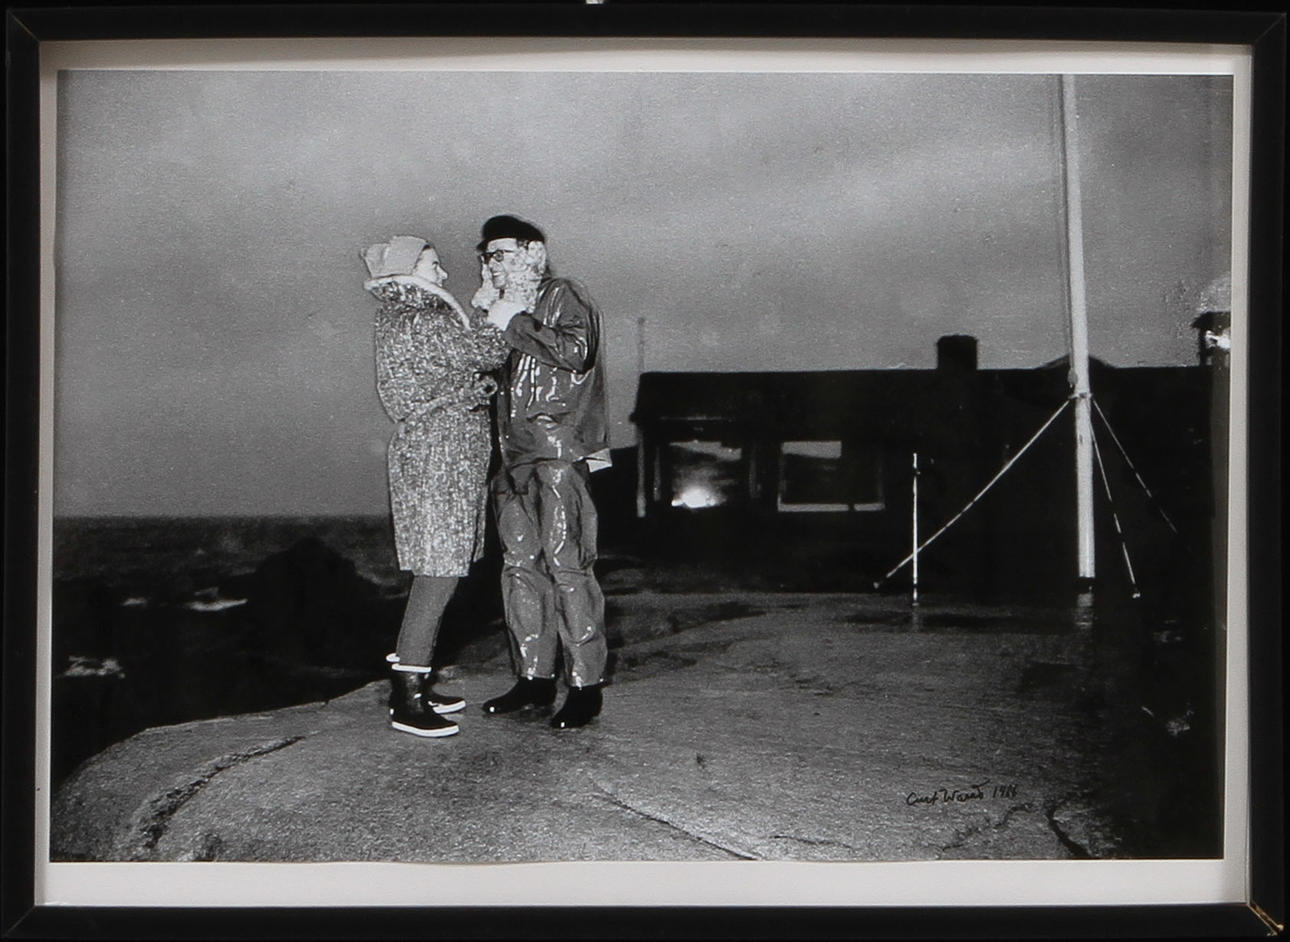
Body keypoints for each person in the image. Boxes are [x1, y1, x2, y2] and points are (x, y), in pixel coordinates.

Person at [363, 235, 509, 737]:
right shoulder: (425, 318)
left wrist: (476, 389)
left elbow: (456, 375)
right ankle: (406, 695)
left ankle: (415, 679)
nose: (444, 274)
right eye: (434, 264)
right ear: (408, 273)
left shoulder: (402, 317)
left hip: (436, 448)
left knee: (438, 566)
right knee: (439, 571)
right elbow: (487, 350)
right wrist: (495, 303)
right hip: (440, 453)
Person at [473, 215, 612, 730]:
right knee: (518, 566)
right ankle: (533, 676)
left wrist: (510, 319)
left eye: (503, 251)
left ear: (533, 250)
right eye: (487, 255)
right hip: (509, 458)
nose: (494, 262)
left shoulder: (562, 295)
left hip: (557, 449)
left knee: (567, 564)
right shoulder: (500, 309)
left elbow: (577, 353)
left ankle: (585, 684)